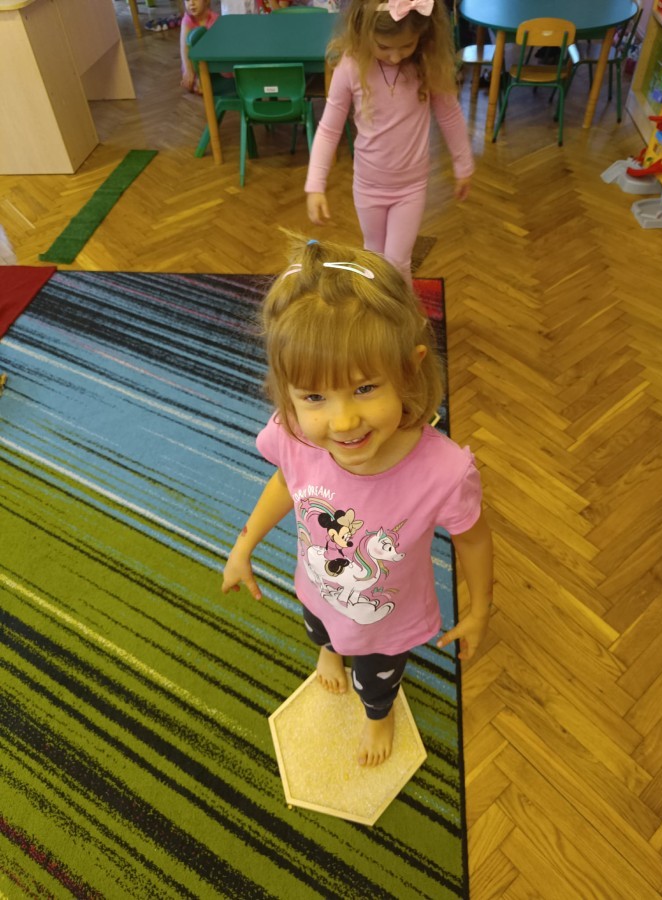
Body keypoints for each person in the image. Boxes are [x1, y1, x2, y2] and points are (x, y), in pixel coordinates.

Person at [221, 235, 493, 767]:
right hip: (317, 584)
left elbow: (474, 539)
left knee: (377, 680)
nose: (343, 421)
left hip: (386, 620)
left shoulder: (444, 472)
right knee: (319, 629)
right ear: (287, 392)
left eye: (365, 388)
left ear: (409, 369)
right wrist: (243, 547)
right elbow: (287, 483)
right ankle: (329, 651)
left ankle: (378, 714)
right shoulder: (295, 435)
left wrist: (480, 609)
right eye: (314, 397)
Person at [305, 0, 474, 284]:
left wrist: (463, 164)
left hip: (411, 187)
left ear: (422, 35)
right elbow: (329, 129)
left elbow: (450, 115)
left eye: (406, 46)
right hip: (368, 185)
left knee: (398, 262)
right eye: (384, 47)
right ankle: (377, 308)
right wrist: (315, 184)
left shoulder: (426, 63)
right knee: (373, 256)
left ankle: (400, 310)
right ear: (362, 31)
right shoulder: (351, 66)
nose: (395, 57)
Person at [180, 0, 219, 94]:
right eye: (187, 0)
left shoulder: (214, 19)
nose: (191, 3)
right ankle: (198, 81)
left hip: (210, 60)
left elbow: (216, 50)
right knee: (189, 83)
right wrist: (188, 70)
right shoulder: (187, 20)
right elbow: (184, 48)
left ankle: (203, 81)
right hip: (193, 62)